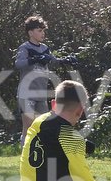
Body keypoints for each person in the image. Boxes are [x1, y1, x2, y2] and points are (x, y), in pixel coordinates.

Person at [15, 15, 77, 146]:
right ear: (30, 33)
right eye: (39, 30)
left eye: (43, 30)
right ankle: (24, 153)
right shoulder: (25, 47)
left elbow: (53, 61)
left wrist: (66, 60)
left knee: (43, 126)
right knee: (28, 126)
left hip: (41, 94)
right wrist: (35, 59)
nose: (43, 33)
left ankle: (40, 153)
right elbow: (19, 64)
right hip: (27, 93)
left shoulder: (44, 48)